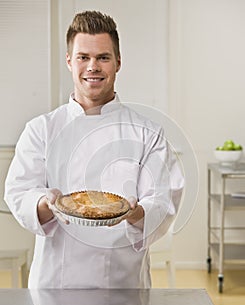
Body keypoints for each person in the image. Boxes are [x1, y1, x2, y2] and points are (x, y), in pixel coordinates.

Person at [4, 11, 184, 289]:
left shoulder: (148, 133)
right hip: (56, 284)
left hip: (123, 285)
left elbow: (163, 202)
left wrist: (133, 212)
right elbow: (18, 194)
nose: (93, 67)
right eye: (83, 57)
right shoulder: (42, 129)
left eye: (103, 57)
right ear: (69, 61)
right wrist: (46, 203)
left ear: (118, 62)